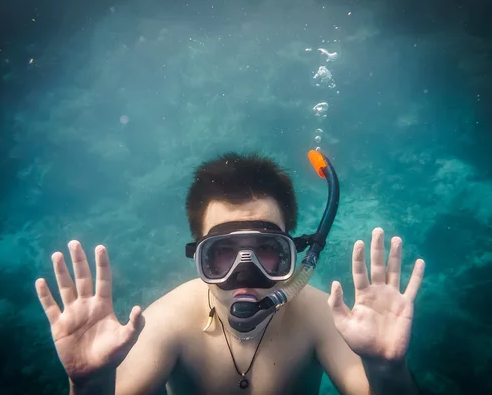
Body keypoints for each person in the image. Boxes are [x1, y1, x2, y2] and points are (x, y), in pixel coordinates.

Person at [35, 151, 425, 395]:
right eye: (221, 255)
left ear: (293, 251)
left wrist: (387, 369)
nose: (245, 276)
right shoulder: (168, 322)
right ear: (198, 257)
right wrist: (89, 385)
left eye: (268, 253)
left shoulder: (321, 316)